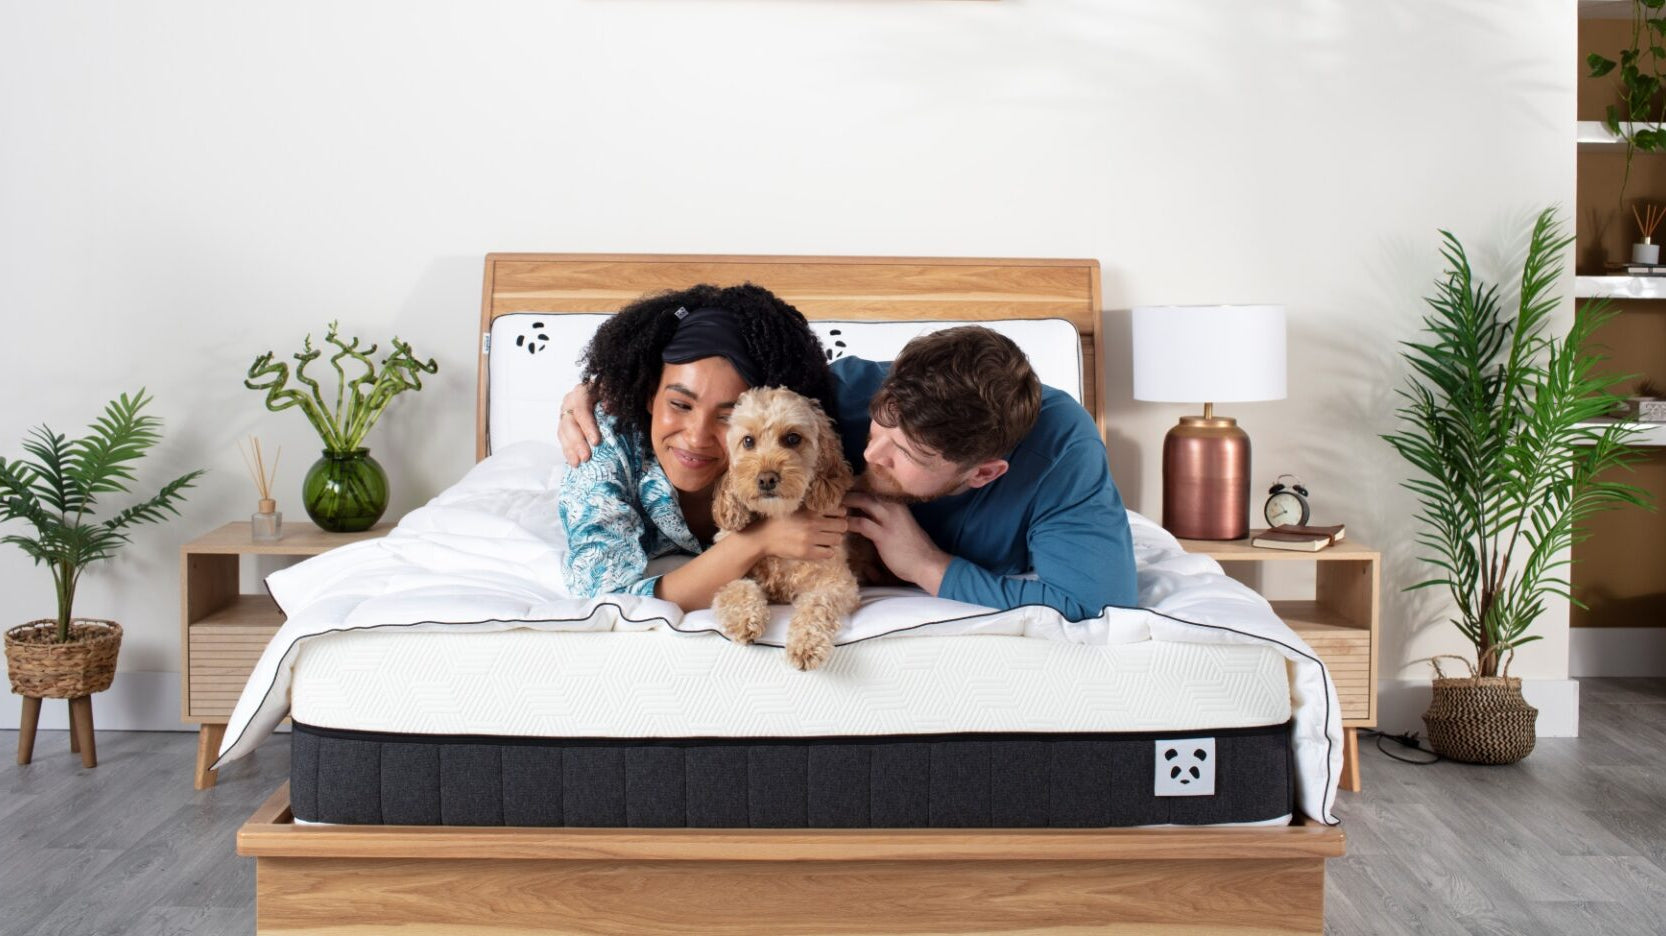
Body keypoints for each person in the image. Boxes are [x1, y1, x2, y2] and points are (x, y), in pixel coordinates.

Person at [561, 324, 1138, 620]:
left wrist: (931, 568)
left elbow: (1100, 608)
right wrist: (605, 388)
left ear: (984, 473)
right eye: (880, 425)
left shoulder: (1064, 455)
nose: (871, 454)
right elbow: (718, 368)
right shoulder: (845, 392)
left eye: (905, 455)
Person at [558, 283, 848, 610]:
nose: (697, 437)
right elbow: (606, 599)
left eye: (728, 416)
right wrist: (757, 541)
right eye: (680, 404)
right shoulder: (600, 442)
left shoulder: (801, 439)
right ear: (650, 395)